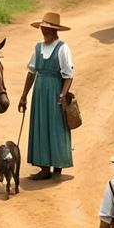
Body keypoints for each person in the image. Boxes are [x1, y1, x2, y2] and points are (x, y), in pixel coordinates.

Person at [18, 10, 75, 180]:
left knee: (57, 126)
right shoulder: (38, 48)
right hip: (40, 91)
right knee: (41, 125)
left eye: (48, 29)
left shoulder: (62, 48)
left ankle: (58, 163)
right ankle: (44, 167)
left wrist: (62, 95)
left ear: (55, 30)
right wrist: (23, 96)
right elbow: (31, 72)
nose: (44, 31)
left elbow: (68, 75)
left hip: (55, 91)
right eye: (43, 28)